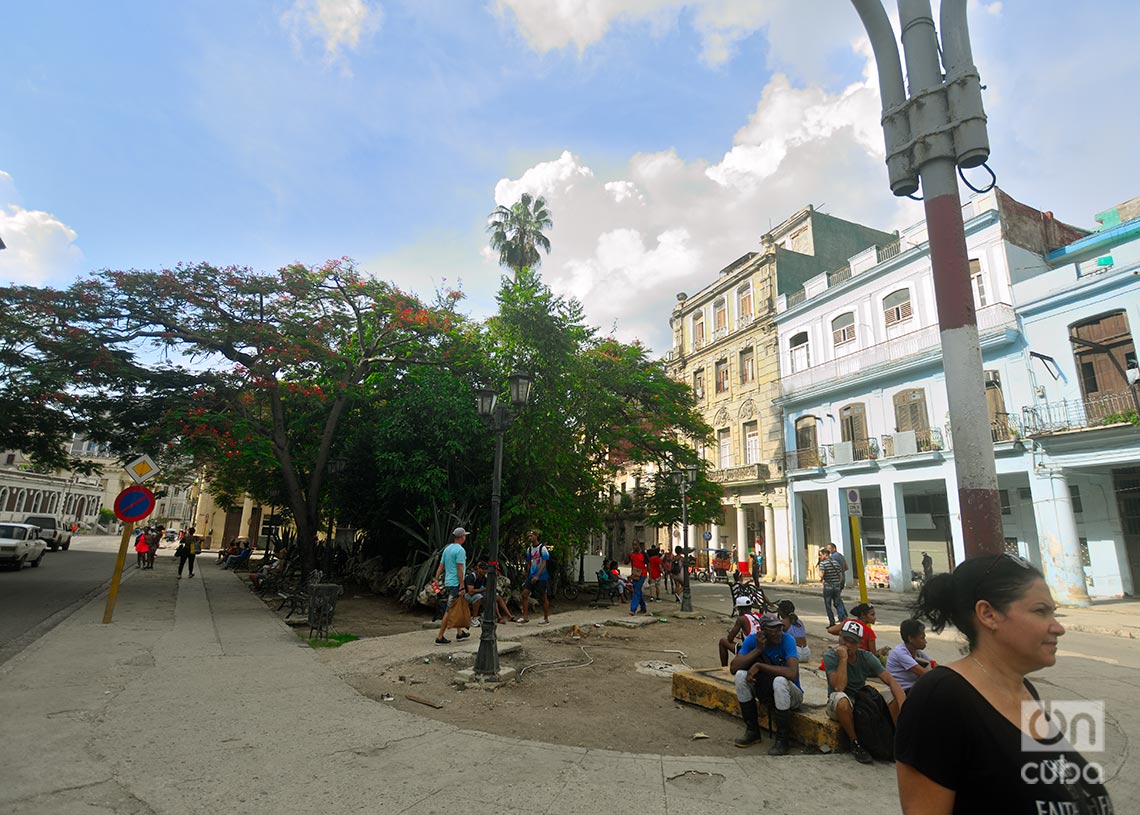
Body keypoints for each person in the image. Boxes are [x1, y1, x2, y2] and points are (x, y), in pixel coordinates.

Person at [896, 554, 1111, 814]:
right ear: (988, 614)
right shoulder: (941, 697)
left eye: (1052, 612)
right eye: (1040, 611)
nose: (1058, 628)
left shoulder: (1024, 690)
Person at [823, 619, 906, 764]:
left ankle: (896, 738)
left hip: (860, 701)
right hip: (838, 703)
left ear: (859, 644)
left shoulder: (865, 656)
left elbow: (890, 680)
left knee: (892, 695)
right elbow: (839, 687)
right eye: (844, 639)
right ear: (839, 637)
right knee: (842, 700)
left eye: (852, 642)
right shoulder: (831, 656)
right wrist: (843, 659)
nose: (847, 645)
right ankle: (855, 743)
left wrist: (903, 705)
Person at [729, 616, 803, 755]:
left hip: (792, 695)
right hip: (767, 691)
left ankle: (782, 739)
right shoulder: (753, 640)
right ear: (762, 632)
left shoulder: (787, 640)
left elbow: (793, 674)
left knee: (779, 681)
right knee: (740, 676)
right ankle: (752, 731)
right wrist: (757, 650)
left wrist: (759, 665)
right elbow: (734, 667)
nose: (778, 633)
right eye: (773, 630)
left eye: (780, 629)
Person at [434, 527, 470, 644]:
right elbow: (460, 569)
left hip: (448, 581)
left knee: (455, 606)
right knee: (449, 609)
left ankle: (459, 633)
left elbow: (441, 565)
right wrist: (462, 585)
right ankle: (440, 636)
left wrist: (436, 579)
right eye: (464, 536)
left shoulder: (447, 549)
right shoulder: (460, 550)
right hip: (456, 583)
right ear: (461, 537)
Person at [886, 618, 933, 693]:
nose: (925, 642)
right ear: (910, 638)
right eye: (922, 638)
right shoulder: (900, 653)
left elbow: (933, 663)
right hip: (902, 691)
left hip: (912, 689)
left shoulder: (917, 652)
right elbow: (926, 674)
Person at [718, 596, 764, 666]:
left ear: (741, 609)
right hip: (762, 650)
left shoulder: (742, 619)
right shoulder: (758, 616)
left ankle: (724, 668)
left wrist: (731, 633)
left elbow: (730, 639)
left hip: (750, 652)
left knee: (723, 641)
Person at [518, 530, 551, 625]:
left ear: (536, 536)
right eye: (529, 536)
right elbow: (529, 562)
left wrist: (538, 575)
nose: (530, 538)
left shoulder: (542, 549)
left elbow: (544, 563)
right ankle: (525, 617)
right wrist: (528, 574)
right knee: (524, 594)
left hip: (541, 576)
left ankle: (546, 618)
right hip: (531, 575)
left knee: (543, 596)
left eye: (531, 536)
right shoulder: (529, 549)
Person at [819, 546, 847, 626]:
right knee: (837, 603)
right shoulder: (836, 563)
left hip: (828, 586)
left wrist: (821, 579)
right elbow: (840, 575)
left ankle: (832, 622)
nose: (820, 557)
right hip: (837, 586)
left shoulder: (823, 564)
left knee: (828, 605)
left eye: (821, 555)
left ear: (825, 554)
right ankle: (842, 618)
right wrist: (838, 582)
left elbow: (821, 575)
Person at [627, 541, 648, 616]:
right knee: (637, 590)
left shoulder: (643, 554)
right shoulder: (632, 554)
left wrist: (650, 577)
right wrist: (628, 555)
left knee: (636, 590)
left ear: (639, 545)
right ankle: (643, 607)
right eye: (633, 545)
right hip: (635, 574)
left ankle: (633, 609)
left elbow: (648, 565)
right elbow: (626, 562)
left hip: (642, 574)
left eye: (635, 545)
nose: (634, 546)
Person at [465, 561, 488, 627]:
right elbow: (470, 591)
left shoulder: (484, 578)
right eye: (483, 569)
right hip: (465, 595)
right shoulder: (471, 576)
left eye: (486, 569)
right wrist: (484, 589)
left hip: (476, 593)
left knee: (492, 596)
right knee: (478, 597)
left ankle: (485, 615)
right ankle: (474, 618)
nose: (484, 571)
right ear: (478, 568)